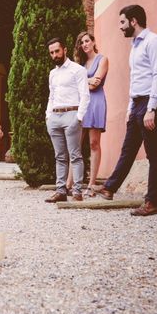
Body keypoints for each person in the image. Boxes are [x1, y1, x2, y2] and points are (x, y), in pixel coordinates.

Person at [97, 4, 157, 217]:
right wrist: (131, 107)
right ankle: (109, 188)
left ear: (134, 20)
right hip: (138, 102)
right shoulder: (135, 46)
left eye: (122, 22)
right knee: (128, 149)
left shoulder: (154, 42)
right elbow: (136, 78)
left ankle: (152, 203)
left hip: (152, 102)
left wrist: (151, 109)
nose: (120, 27)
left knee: (154, 153)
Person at [44, 37, 90, 203]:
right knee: (60, 157)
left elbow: (85, 95)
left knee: (75, 156)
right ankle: (61, 190)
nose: (55, 55)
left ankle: (77, 192)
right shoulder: (52, 74)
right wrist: (48, 116)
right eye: (51, 52)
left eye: (57, 51)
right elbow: (51, 96)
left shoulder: (77, 70)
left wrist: (78, 117)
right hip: (55, 116)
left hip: (72, 114)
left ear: (64, 50)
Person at [66, 31, 109, 198]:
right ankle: (69, 184)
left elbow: (95, 85)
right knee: (75, 145)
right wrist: (88, 81)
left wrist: (86, 81)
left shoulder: (103, 59)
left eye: (86, 41)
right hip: (81, 104)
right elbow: (76, 86)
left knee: (94, 143)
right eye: (81, 42)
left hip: (96, 102)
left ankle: (91, 184)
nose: (84, 44)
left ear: (93, 41)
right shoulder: (80, 64)